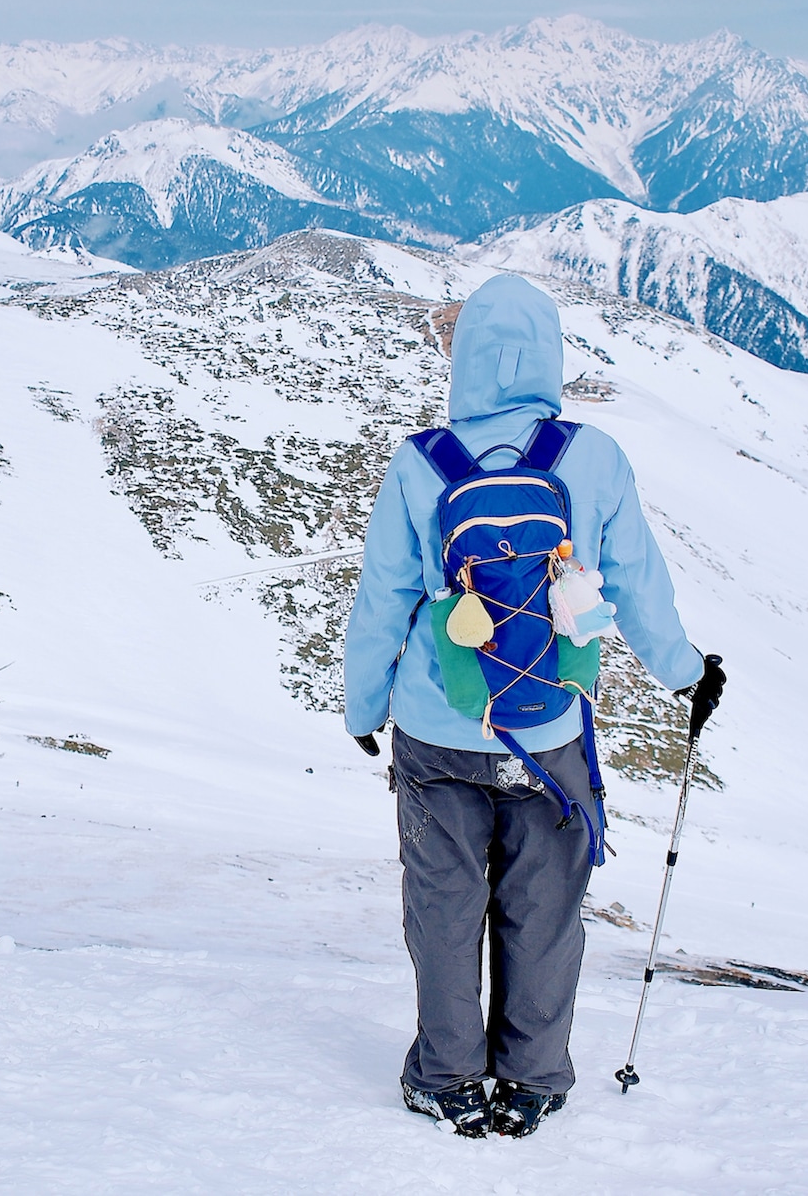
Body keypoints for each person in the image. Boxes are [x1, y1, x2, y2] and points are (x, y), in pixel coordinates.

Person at [344, 273, 723, 1138]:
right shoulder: (590, 457)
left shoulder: (420, 463)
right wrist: (685, 671)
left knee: (444, 910)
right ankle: (534, 1077)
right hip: (549, 729)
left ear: (464, 358)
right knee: (544, 913)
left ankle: (446, 1079)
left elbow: (384, 600)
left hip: (438, 733)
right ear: (549, 354)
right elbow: (635, 584)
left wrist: (362, 706)